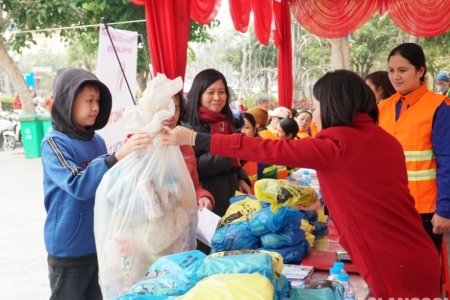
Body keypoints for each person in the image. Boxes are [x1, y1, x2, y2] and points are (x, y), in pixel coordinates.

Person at [162, 69, 441, 298]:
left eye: (317, 106)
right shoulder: (385, 140)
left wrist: (194, 139)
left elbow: (263, 150)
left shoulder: (336, 144)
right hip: (418, 252)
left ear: (333, 105)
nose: (315, 116)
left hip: (391, 264)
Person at [41, 68, 152, 299]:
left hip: (99, 245)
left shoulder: (98, 141)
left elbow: (109, 186)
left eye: (98, 101)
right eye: (89, 101)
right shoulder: (54, 144)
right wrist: (114, 158)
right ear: (68, 102)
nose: (95, 108)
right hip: (69, 251)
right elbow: (78, 185)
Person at [379, 43, 450, 253]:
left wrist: (445, 209)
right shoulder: (383, 107)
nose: (395, 77)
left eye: (402, 70)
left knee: (424, 275)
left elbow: (447, 160)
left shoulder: (439, 107)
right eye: (391, 71)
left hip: (424, 210)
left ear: (420, 71)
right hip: (388, 206)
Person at [183, 68, 251, 217]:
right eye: (210, 92)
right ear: (198, 94)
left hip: (228, 196)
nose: (217, 97)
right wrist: (231, 153)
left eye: (221, 92)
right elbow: (192, 166)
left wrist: (241, 177)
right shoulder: (186, 126)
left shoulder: (225, 122)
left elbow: (234, 160)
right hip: (203, 202)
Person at [164, 91, 214, 210]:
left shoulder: (186, 146)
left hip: (180, 221)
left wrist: (203, 197)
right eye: (165, 108)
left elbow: (194, 186)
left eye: (175, 108)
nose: (171, 115)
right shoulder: (137, 143)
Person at [240, 112, 277, 193]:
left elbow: (270, 185)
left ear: (254, 130)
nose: (242, 131)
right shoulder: (226, 155)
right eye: (238, 128)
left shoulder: (264, 153)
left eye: (247, 127)